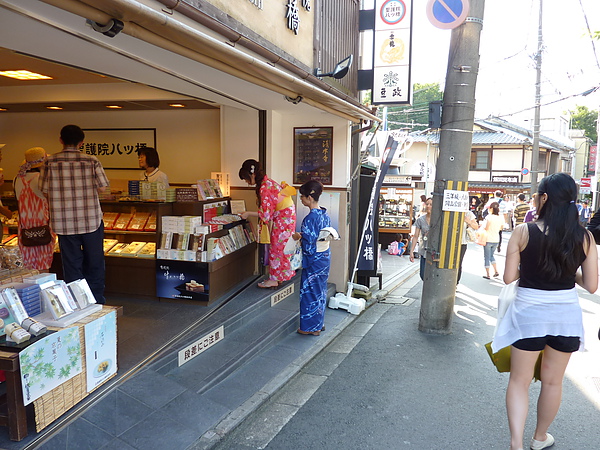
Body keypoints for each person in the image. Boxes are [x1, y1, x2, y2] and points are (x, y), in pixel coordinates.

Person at [494, 172, 597, 450]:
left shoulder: (522, 231)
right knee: (552, 383)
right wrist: (567, 274)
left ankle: (516, 444)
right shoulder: (584, 237)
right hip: (565, 318)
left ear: (545, 198)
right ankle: (539, 438)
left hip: (528, 316)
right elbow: (591, 285)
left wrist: (531, 268)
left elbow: (508, 278)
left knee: (520, 380)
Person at [41, 125, 110, 303]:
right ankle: (96, 301)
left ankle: (78, 302)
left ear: (61, 140)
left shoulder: (50, 162)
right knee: (95, 262)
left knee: (71, 265)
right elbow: (103, 188)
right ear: (82, 142)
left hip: (64, 223)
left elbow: (44, 190)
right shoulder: (91, 160)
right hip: (91, 221)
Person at [238, 159, 296, 289]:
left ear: (252, 174)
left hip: (283, 217)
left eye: (246, 179)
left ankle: (274, 279)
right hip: (286, 215)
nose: (247, 183)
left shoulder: (265, 187)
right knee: (281, 247)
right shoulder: (267, 183)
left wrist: (248, 213)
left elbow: (265, 215)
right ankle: (280, 276)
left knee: (276, 247)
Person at [292, 180, 331, 336]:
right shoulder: (324, 213)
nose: (301, 199)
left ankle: (310, 327)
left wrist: (298, 237)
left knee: (309, 291)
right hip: (325, 255)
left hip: (314, 258)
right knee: (320, 290)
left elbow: (308, 244)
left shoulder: (309, 218)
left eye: (302, 196)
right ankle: (319, 323)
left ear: (309, 197)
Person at [14, 147, 56, 270]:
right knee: (43, 265)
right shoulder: (42, 180)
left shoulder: (17, 179)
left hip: (25, 229)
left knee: (28, 266)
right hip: (43, 227)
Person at [409, 197, 431, 280]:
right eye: (427, 204)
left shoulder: (438, 220)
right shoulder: (420, 220)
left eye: (431, 204)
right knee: (423, 274)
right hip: (424, 250)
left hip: (434, 252)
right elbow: (415, 236)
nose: (428, 206)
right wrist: (412, 251)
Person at [481, 202, 503, 279]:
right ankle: (496, 271)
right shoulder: (500, 217)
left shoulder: (489, 217)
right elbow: (501, 228)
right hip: (496, 239)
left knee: (487, 257)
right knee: (491, 256)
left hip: (488, 239)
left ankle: (488, 274)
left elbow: (486, 228)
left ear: (491, 209)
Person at [457, 210, 478, 284]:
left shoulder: (468, 213)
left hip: (462, 242)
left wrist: (468, 221)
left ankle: (456, 282)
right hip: (449, 242)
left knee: (458, 263)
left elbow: (476, 226)